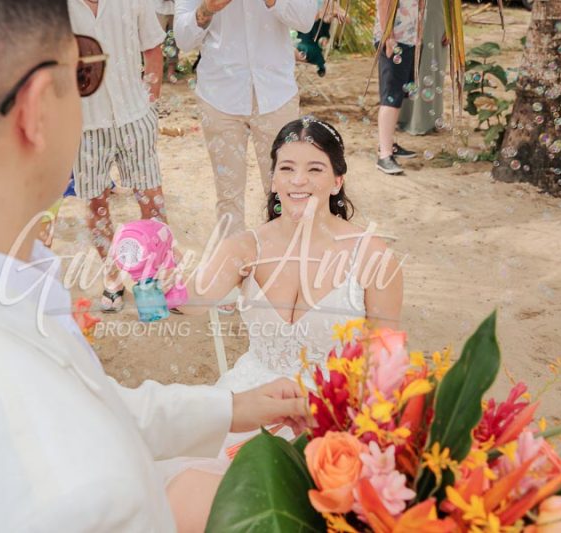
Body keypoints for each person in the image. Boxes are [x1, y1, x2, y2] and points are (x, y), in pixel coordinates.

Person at [0, 1, 311, 531]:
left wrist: (230, 407)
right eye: (87, 71)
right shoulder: (82, 496)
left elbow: (89, 403)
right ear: (38, 107)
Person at [163, 117, 403, 532]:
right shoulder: (245, 247)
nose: (299, 180)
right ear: (272, 180)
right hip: (251, 397)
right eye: (287, 168)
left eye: (315, 169)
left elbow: (387, 359)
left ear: (337, 180)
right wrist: (155, 279)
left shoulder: (372, 255)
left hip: (332, 411)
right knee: (187, 495)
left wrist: (344, 417)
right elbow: (192, 302)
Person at [174, 0, 317, 238]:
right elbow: (183, 38)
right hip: (219, 95)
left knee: (286, 189)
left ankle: (283, 263)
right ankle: (234, 265)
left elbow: (304, 20)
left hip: (276, 93)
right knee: (228, 196)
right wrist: (207, 9)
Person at [68, 0, 167, 313]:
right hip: (84, 125)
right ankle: (111, 276)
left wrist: (149, 103)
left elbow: (152, 47)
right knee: (95, 203)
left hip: (133, 117)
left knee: (150, 198)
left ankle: (152, 276)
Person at [375, 0, 421, 175]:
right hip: (395, 40)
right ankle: (384, 155)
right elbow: (383, 2)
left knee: (398, 96)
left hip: (409, 38)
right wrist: (388, 37)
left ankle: (388, 144)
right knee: (391, 98)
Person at [397, 0, 447, 135]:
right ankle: (403, 116)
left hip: (435, 11)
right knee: (409, 60)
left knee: (430, 61)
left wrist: (452, 23)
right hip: (407, 10)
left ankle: (424, 120)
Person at [155, 0, 179, 82]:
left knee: (173, 43)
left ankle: (171, 74)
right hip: (159, 10)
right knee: (156, 43)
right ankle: (156, 73)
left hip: (175, 11)